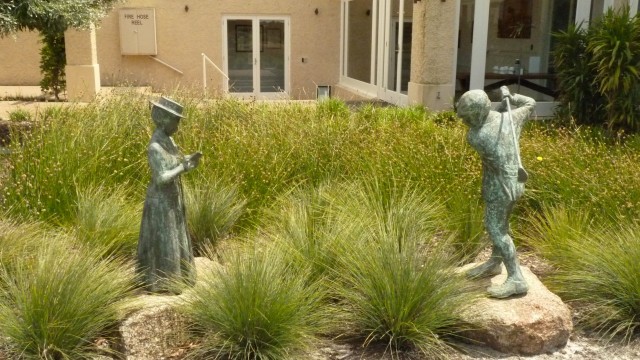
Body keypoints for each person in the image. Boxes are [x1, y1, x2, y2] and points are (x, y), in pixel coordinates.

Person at [456, 85, 535, 298]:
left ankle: (516, 278)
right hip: (516, 183)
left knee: (495, 228)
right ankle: (494, 262)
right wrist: (512, 97)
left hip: (499, 187)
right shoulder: (511, 118)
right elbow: (530, 103)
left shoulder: (476, 136)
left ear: (479, 114)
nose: (465, 122)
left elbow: (488, 126)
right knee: (503, 225)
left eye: (467, 117)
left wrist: (502, 105)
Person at [137, 96, 202, 293]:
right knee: (166, 241)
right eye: (176, 121)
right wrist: (183, 167)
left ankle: (181, 277)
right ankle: (164, 283)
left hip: (172, 198)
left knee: (177, 238)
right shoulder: (155, 147)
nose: (178, 126)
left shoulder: (169, 141)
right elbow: (161, 178)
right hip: (160, 202)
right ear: (163, 119)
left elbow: (173, 165)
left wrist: (187, 162)